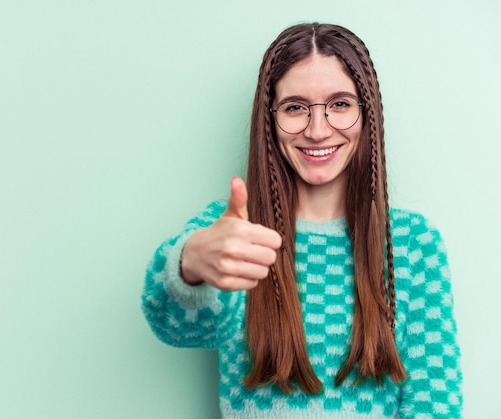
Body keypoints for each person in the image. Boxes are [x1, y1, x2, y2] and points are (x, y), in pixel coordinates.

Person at [142, 23, 462, 418]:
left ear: (367, 113)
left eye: (340, 104)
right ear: (270, 120)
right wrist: (189, 265)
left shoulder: (412, 243)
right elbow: (178, 326)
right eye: (295, 108)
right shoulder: (236, 231)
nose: (317, 129)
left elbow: (436, 404)